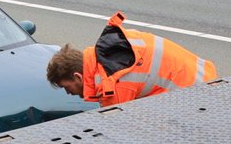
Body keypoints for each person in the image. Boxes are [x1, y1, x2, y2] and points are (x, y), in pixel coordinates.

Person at [47, 11, 216, 105]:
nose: (68, 93)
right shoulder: (112, 49)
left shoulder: (112, 83)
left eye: (65, 87)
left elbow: (117, 135)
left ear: (78, 76)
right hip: (202, 76)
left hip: (194, 95)